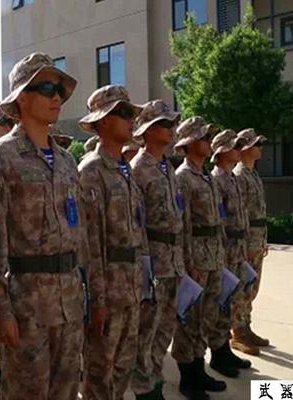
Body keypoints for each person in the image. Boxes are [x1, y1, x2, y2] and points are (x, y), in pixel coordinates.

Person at [0, 52, 87, 400]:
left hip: (69, 301)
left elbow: (77, 232)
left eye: (59, 90)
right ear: (21, 98)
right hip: (26, 307)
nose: (56, 97)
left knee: (66, 391)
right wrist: (0, 310)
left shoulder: (67, 161)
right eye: (46, 88)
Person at [77, 85, 147, 400]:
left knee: (122, 366)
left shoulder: (125, 170)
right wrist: (97, 300)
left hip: (130, 286)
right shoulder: (92, 171)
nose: (132, 120)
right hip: (108, 290)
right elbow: (90, 245)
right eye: (124, 113)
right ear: (103, 120)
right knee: (99, 372)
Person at [129, 100, 189, 400]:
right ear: (148, 130)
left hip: (173, 261)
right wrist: (144, 270)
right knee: (147, 333)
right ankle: (146, 389)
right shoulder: (139, 170)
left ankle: (156, 381)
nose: (172, 129)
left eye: (172, 123)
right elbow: (135, 224)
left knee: (166, 327)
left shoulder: (167, 168)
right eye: (165, 124)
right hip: (153, 262)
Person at [171, 117, 227, 400]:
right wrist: (187, 263)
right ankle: (188, 378)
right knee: (190, 321)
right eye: (203, 138)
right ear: (190, 143)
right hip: (196, 259)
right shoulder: (182, 178)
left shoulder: (206, 176)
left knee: (207, 316)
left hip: (214, 255)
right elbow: (183, 225)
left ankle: (199, 368)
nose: (208, 142)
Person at [209, 130, 255, 376]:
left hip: (237, 248)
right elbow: (219, 219)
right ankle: (218, 352)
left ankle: (225, 349)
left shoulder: (232, 178)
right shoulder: (216, 179)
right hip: (224, 249)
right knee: (221, 302)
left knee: (231, 300)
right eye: (234, 147)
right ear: (222, 151)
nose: (239, 150)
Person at [232, 128, 270, 352]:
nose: (260, 148)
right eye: (256, 144)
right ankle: (238, 332)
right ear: (245, 148)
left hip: (257, 239)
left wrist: (263, 240)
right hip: (247, 242)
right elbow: (240, 214)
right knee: (243, 287)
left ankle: (246, 326)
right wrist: (244, 244)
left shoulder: (253, 174)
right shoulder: (239, 176)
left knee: (252, 288)